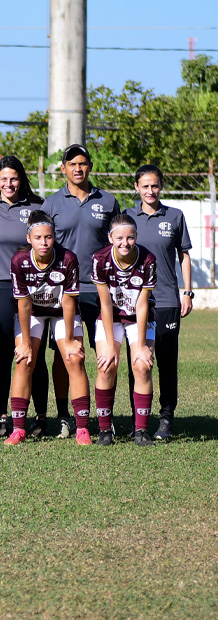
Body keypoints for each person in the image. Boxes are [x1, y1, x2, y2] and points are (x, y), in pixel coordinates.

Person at [41, 144, 119, 438]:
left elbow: (117, 245)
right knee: (66, 356)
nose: (78, 168)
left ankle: (104, 418)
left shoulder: (108, 202)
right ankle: (65, 416)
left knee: (105, 354)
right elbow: (43, 247)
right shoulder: (51, 204)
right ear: (63, 168)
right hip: (64, 293)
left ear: (90, 167)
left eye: (83, 163)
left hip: (100, 291)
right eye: (72, 163)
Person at [6, 210, 91, 446]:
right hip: (32, 312)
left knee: (74, 358)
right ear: (29, 238)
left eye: (48, 237)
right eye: (38, 237)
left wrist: (72, 339)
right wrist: (24, 342)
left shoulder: (68, 258)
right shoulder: (19, 261)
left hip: (62, 312)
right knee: (25, 361)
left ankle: (82, 428)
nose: (44, 242)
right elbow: (23, 304)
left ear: (54, 237)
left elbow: (68, 300)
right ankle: (19, 429)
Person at [0, 156, 49, 438]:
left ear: (21, 179)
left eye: (14, 178)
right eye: (3, 179)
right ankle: (3, 416)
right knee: (3, 354)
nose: (9, 184)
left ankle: (41, 417)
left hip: (33, 288)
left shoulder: (37, 207)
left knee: (35, 354)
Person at [124, 164, 192, 441]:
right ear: (137, 188)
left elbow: (184, 256)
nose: (150, 191)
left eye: (155, 185)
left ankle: (166, 418)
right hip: (132, 302)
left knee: (166, 361)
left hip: (165, 301)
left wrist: (187, 292)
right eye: (145, 186)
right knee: (138, 360)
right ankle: (138, 419)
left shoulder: (174, 216)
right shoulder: (127, 217)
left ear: (160, 186)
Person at [91, 214, 158, 446]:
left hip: (139, 318)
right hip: (111, 318)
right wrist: (110, 345)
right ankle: (104, 431)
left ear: (136, 237)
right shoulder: (99, 259)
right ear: (110, 237)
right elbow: (106, 304)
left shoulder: (148, 258)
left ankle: (141, 431)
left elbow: (142, 304)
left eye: (130, 238)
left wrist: (140, 346)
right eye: (119, 237)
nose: (125, 243)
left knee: (142, 366)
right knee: (107, 365)